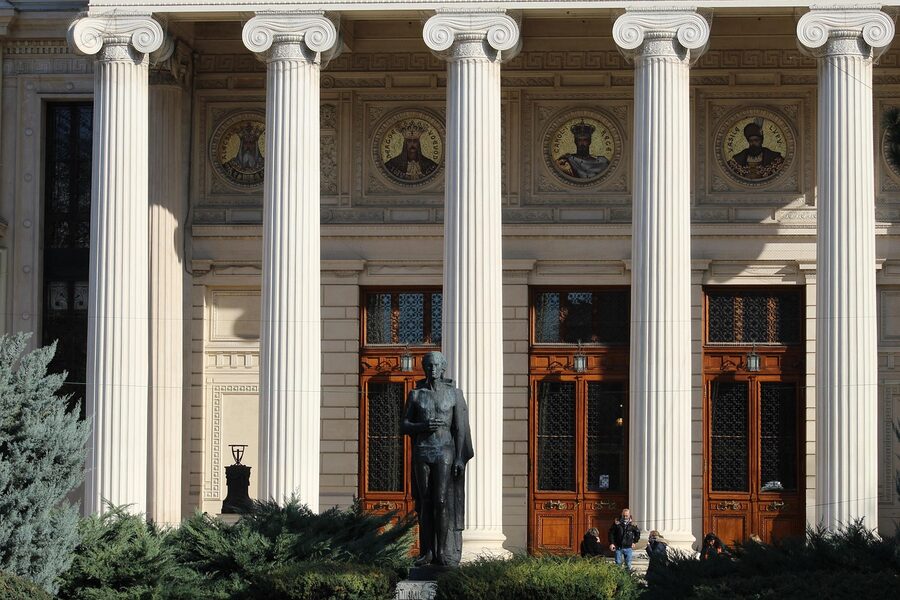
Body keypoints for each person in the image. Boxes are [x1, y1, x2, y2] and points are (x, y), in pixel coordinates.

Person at [401, 351, 473, 567]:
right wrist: (422, 426)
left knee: (441, 502)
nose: (432, 369)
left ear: (443, 369)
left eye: (436, 366)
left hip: (445, 451)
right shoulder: (416, 395)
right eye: (428, 365)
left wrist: (460, 458)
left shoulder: (454, 395)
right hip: (423, 450)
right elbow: (404, 425)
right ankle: (426, 552)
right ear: (424, 368)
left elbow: (460, 429)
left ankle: (442, 551)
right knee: (425, 503)